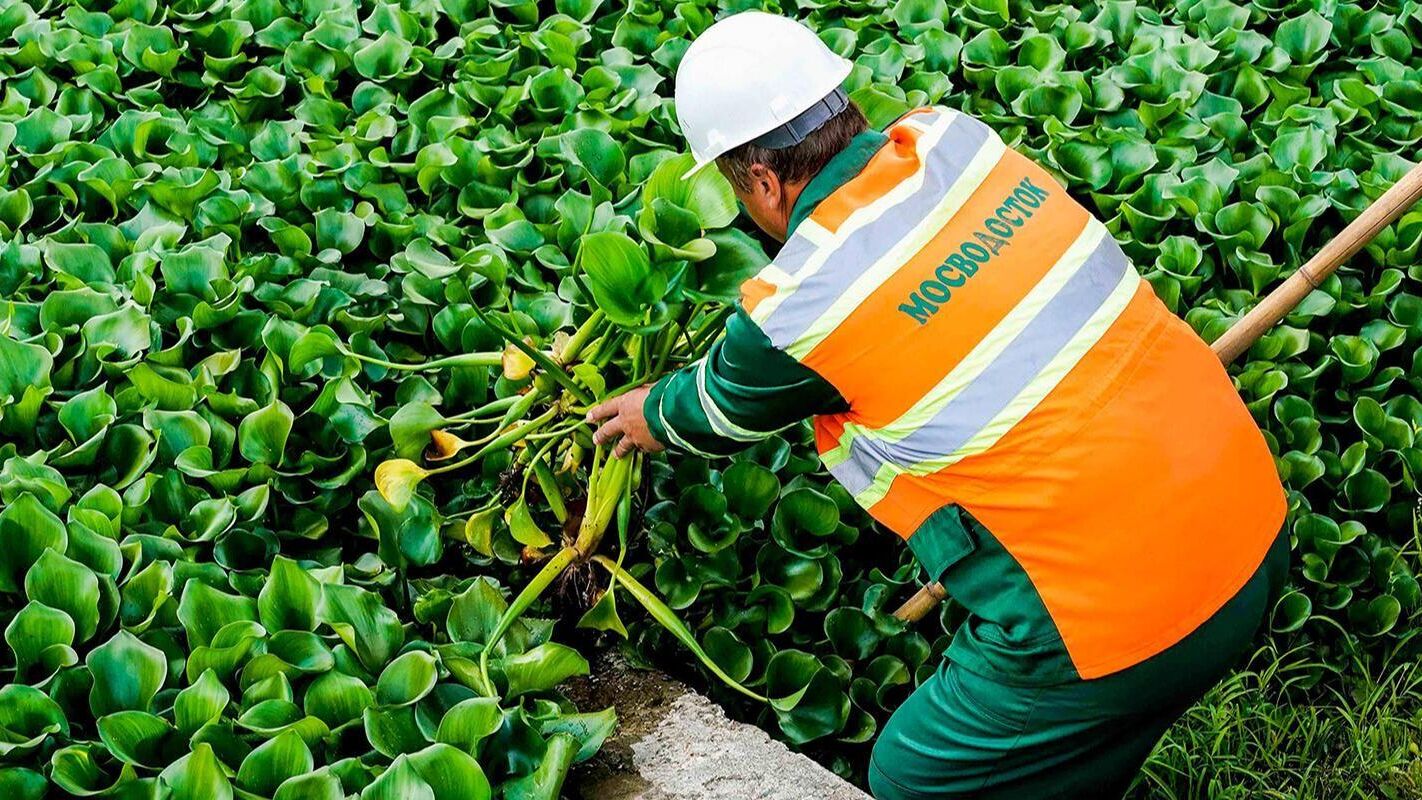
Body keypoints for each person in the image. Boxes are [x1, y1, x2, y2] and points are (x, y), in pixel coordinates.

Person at [586, 11, 1289, 800]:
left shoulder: (798, 307)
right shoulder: (958, 142)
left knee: (915, 773)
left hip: (1127, 623)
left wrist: (649, 411)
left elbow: (712, 413)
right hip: (1253, 531)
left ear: (760, 181)